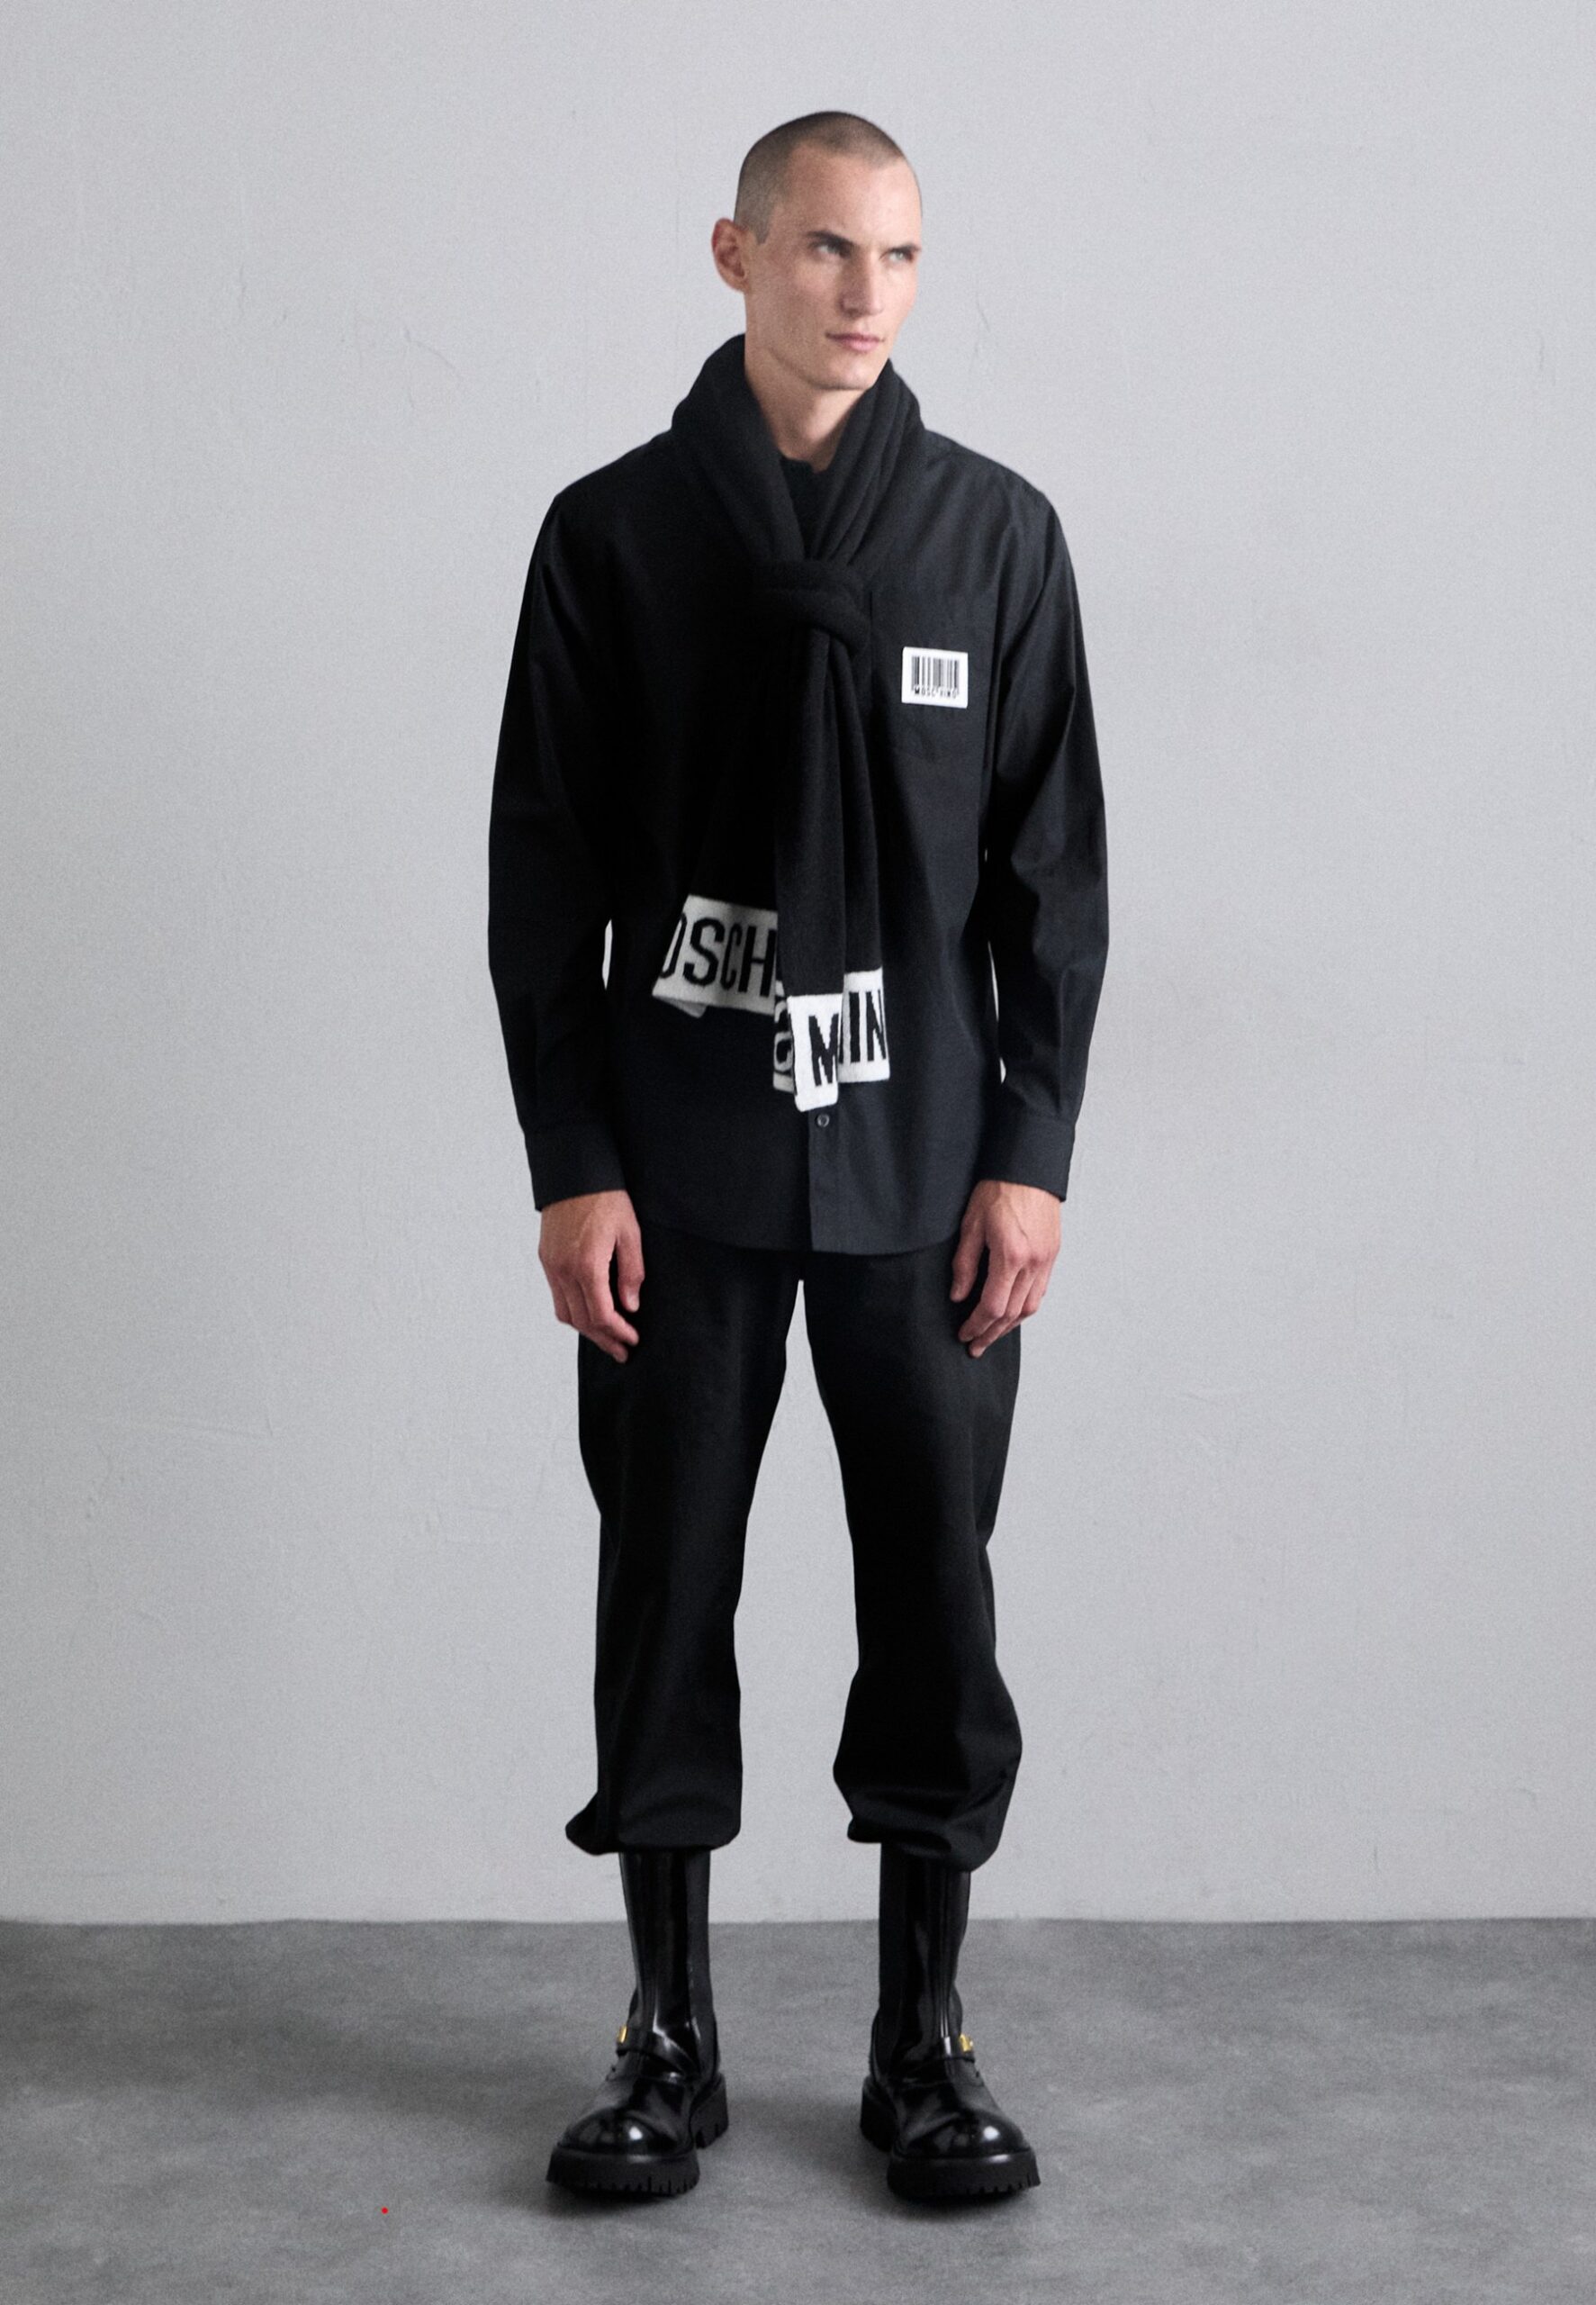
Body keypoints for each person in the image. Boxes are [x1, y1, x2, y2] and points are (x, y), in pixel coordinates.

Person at [487, 110, 1109, 2204]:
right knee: (661, 1582)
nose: (865, 293)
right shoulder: (611, 537)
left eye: (899, 255)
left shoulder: (993, 538)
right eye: (828, 248)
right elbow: (542, 870)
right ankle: (665, 2036)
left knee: (933, 1590)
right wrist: (571, 1157)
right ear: (734, 255)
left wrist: (1028, 1153)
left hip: (921, 1170)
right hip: (676, 1172)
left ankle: (921, 2037)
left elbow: (1050, 879)